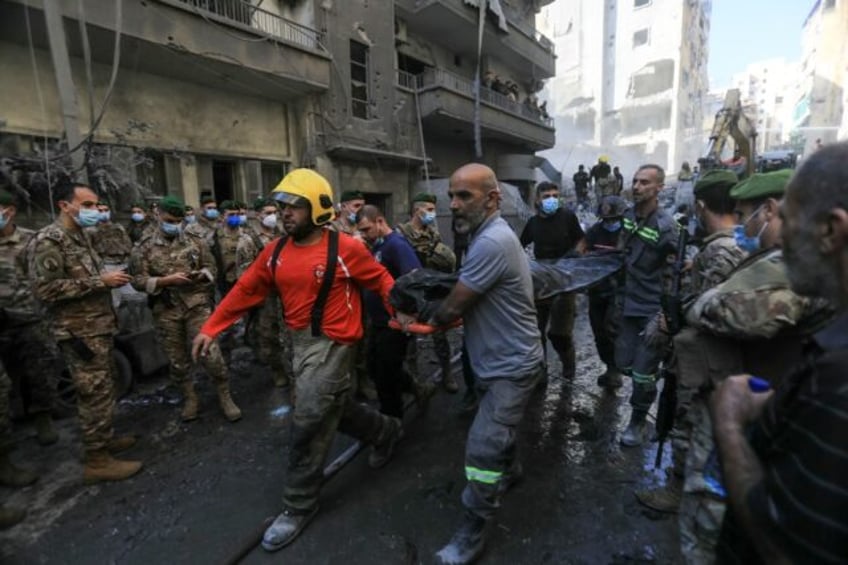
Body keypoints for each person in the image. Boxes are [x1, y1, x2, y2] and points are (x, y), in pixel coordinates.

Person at [191, 169, 402, 552]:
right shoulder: (275, 253)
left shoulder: (346, 250)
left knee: (307, 418)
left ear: (318, 209)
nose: (284, 213)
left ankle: (298, 503)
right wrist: (212, 327)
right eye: (282, 206)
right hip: (299, 345)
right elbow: (245, 290)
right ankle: (385, 432)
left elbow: (382, 280)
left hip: (334, 345)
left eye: (294, 206)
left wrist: (402, 314)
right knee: (333, 406)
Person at [675, 169, 831, 563]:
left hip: (749, 415)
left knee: (711, 524)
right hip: (759, 408)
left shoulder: (802, 268)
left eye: (746, 213)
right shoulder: (778, 261)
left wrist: (700, 302)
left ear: (771, 210)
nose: (741, 223)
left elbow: (742, 312)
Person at [397, 163, 544, 565]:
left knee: (481, 451)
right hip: (495, 360)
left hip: (510, 368)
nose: (454, 205)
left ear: (493, 199)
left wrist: (417, 318)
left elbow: (451, 309)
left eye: (465, 196)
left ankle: (471, 533)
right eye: (451, 197)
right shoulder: (487, 236)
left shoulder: (491, 242)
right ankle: (510, 469)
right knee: (499, 432)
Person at [710, 143, 848, 563]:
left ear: (831, 230)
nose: (780, 234)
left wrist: (730, 423)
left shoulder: (838, 379)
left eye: (786, 218)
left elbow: (786, 546)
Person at [634, 169, 747, 514]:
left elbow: (710, 308)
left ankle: (677, 489)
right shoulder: (732, 243)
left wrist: (673, 320)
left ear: (700, 205)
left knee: (686, 420)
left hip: (703, 357)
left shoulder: (719, 250)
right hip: (710, 356)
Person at [29, 179, 142, 484]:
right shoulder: (49, 240)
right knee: (93, 394)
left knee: (102, 391)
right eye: (88, 205)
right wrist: (99, 282)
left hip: (96, 327)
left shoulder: (80, 236)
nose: (94, 211)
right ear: (65, 206)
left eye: (96, 204)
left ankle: (103, 441)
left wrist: (102, 278)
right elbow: (46, 290)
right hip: (78, 333)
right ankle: (97, 461)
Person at [130, 196, 241, 422]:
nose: (176, 224)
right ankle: (190, 398)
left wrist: (202, 275)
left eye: (179, 220)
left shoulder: (195, 239)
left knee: (211, 354)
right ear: (158, 215)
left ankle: (225, 395)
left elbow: (211, 267)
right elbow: (137, 280)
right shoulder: (144, 246)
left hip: (196, 305)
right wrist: (164, 281)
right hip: (166, 309)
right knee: (178, 360)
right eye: (170, 219)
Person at [615, 164, 680, 447]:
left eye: (644, 182)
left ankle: (637, 422)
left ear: (659, 188)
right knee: (623, 363)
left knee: (642, 373)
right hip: (628, 304)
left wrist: (667, 316)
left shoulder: (667, 227)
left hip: (652, 311)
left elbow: (682, 272)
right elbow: (622, 251)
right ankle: (652, 378)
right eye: (635, 181)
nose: (637, 186)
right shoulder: (628, 216)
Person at [356, 205, 425, 467]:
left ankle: (391, 428)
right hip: (380, 321)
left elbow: (414, 279)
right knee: (376, 367)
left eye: (366, 229)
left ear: (380, 221)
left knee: (385, 375)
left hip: (395, 323)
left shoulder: (396, 245)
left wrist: (405, 313)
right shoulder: (378, 245)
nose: (363, 234)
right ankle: (416, 388)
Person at [0, 189, 60, 448]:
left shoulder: (31, 240)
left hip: (31, 318)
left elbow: (48, 279)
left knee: (41, 372)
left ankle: (42, 416)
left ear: (9, 210)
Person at [519, 181, 584, 379]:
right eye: (547, 197)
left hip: (564, 282)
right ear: (537, 200)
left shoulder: (567, 217)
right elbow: (519, 246)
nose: (552, 200)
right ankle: (541, 372)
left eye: (555, 196)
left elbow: (582, 239)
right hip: (540, 282)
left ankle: (569, 370)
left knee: (559, 334)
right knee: (536, 332)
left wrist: (575, 254)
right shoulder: (533, 223)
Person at [397, 193, 458, 392]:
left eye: (433, 210)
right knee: (409, 342)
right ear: (417, 210)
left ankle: (447, 373)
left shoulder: (433, 234)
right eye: (429, 210)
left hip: (430, 290)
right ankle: (416, 383)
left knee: (440, 335)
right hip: (410, 292)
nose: (433, 214)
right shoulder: (401, 234)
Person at [246, 197, 293, 388]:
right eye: (267, 213)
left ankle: (293, 370)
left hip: (286, 293)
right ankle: (277, 370)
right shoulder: (249, 240)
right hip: (266, 297)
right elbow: (245, 273)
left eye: (275, 212)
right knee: (269, 335)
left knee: (290, 334)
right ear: (258, 215)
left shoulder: (285, 235)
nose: (272, 216)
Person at [583, 195, 627, 388]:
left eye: (614, 219)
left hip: (619, 291)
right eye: (607, 220)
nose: (610, 223)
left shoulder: (629, 232)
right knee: (599, 331)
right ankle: (610, 367)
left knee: (613, 330)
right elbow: (580, 251)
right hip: (597, 290)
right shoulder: (595, 232)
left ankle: (616, 369)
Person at [92, 201, 132, 265]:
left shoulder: (118, 227)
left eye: (106, 210)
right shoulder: (92, 230)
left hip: (122, 261)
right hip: (103, 262)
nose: (104, 213)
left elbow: (128, 245)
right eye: (100, 211)